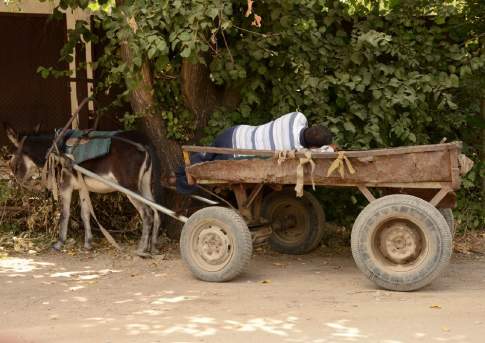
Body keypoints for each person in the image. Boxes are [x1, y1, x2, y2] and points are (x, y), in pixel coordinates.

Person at [175, 111, 333, 193]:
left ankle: (180, 172)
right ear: (313, 147)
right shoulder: (295, 150)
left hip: (235, 132)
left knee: (205, 156)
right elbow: (324, 153)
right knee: (207, 167)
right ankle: (181, 180)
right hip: (236, 153)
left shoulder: (297, 118)